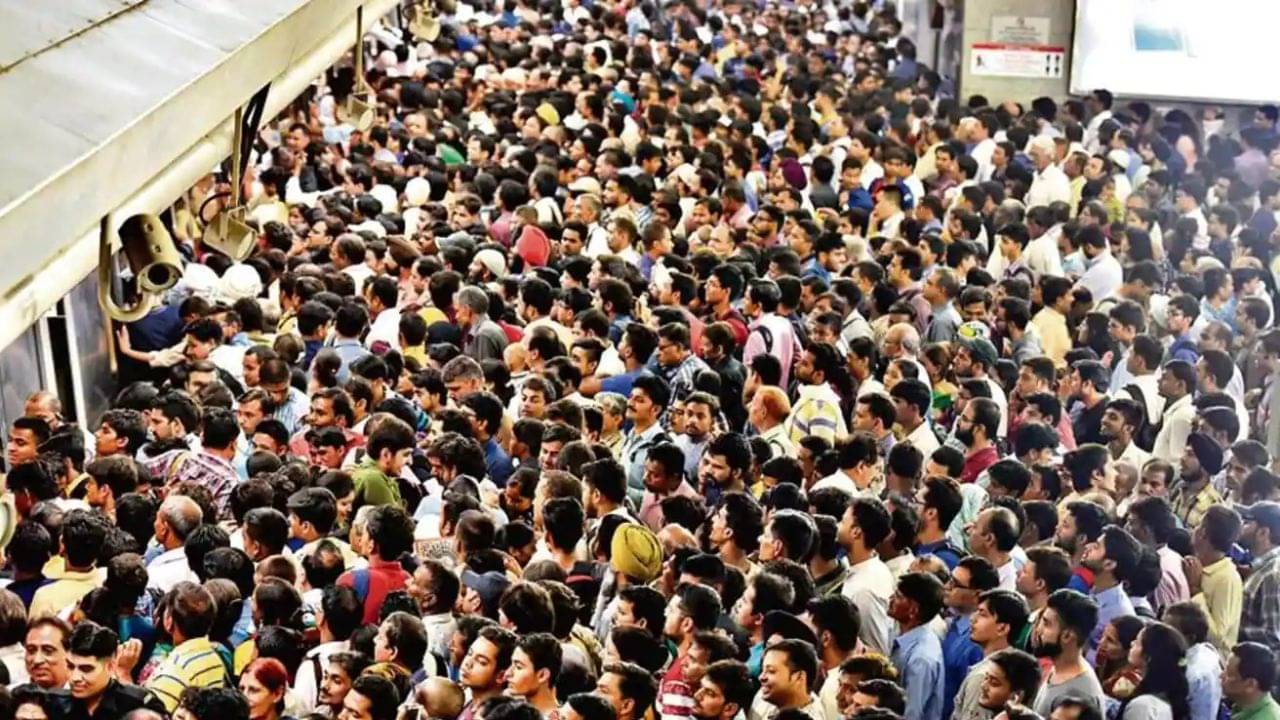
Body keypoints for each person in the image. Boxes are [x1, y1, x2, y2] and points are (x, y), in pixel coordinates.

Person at [66, 621, 166, 719]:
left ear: (110, 666)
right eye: (70, 666)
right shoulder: (58, 704)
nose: (75, 677)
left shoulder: (140, 704)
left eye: (86, 669)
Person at [1031, 590, 1106, 717]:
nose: (1038, 629)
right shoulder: (1059, 669)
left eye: (1046, 624)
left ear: (1067, 636)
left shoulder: (1080, 695)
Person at [888, 572, 945, 720]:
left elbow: (911, 714)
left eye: (898, 596)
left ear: (913, 610)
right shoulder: (903, 633)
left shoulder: (920, 659)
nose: (891, 598)